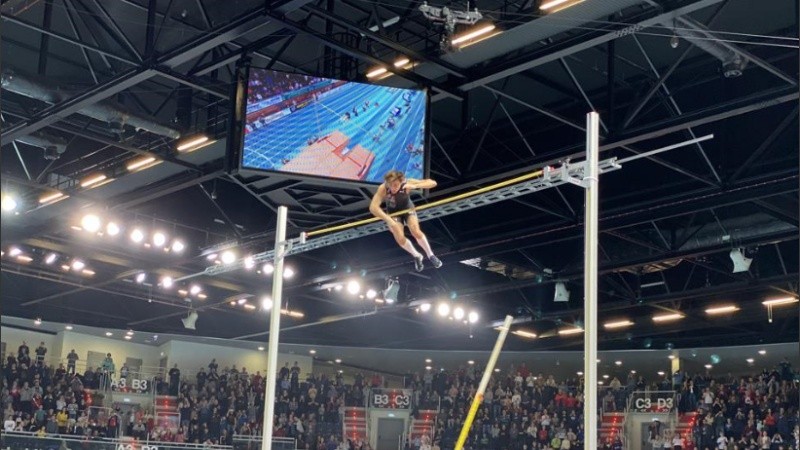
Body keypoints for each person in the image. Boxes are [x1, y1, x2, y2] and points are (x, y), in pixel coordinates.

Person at [370, 170, 441, 271]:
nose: (393, 188)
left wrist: (415, 186)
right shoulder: (383, 188)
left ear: (401, 181)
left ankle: (431, 255)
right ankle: (417, 255)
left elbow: (433, 183)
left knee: (415, 230)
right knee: (399, 237)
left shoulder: (407, 182)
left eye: (396, 185)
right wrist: (388, 220)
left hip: (408, 209)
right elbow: (373, 208)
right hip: (394, 213)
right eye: (391, 185)